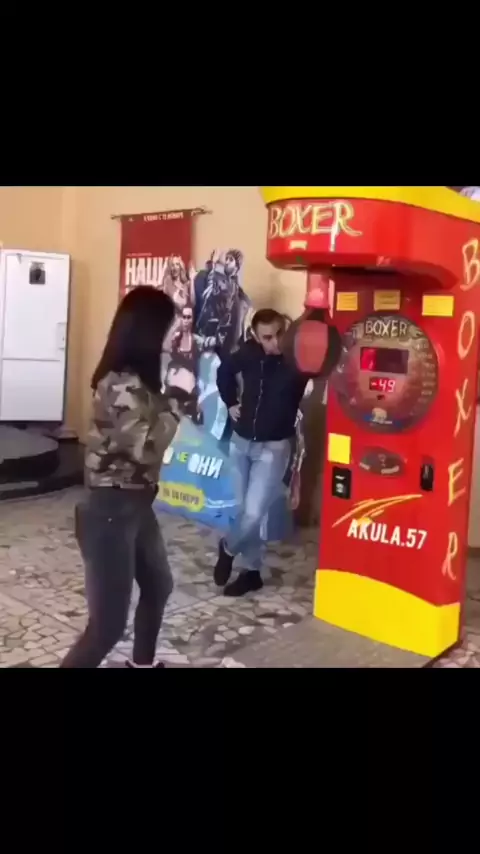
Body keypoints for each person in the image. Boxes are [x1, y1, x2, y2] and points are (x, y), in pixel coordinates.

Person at [61, 286, 183, 668]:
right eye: (170, 329)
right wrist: (176, 408)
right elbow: (146, 448)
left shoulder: (140, 382)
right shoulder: (118, 384)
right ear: (149, 331)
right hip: (110, 511)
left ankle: (142, 664)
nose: (174, 337)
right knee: (106, 628)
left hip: (136, 503)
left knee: (158, 586)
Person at [214, 308, 311, 597]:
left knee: (254, 512)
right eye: (267, 337)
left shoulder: (298, 359)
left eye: (280, 333)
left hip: (273, 447)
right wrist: (230, 401)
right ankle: (252, 572)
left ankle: (228, 548)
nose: (275, 342)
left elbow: (323, 358)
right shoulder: (248, 353)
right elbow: (224, 371)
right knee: (245, 513)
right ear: (256, 337)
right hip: (241, 443)